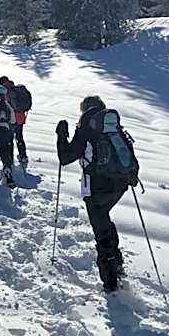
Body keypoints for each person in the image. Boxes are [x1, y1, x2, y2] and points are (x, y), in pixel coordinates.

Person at [56, 96, 133, 293]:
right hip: (120, 185)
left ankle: (110, 282)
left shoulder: (86, 130)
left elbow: (65, 157)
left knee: (101, 231)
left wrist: (61, 135)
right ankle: (117, 262)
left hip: (97, 187)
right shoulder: (114, 128)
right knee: (104, 219)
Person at [0, 76, 30, 165]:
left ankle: (10, 158)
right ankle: (23, 156)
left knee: (9, 138)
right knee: (19, 136)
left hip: (11, 118)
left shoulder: (4, 91)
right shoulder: (17, 89)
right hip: (20, 117)